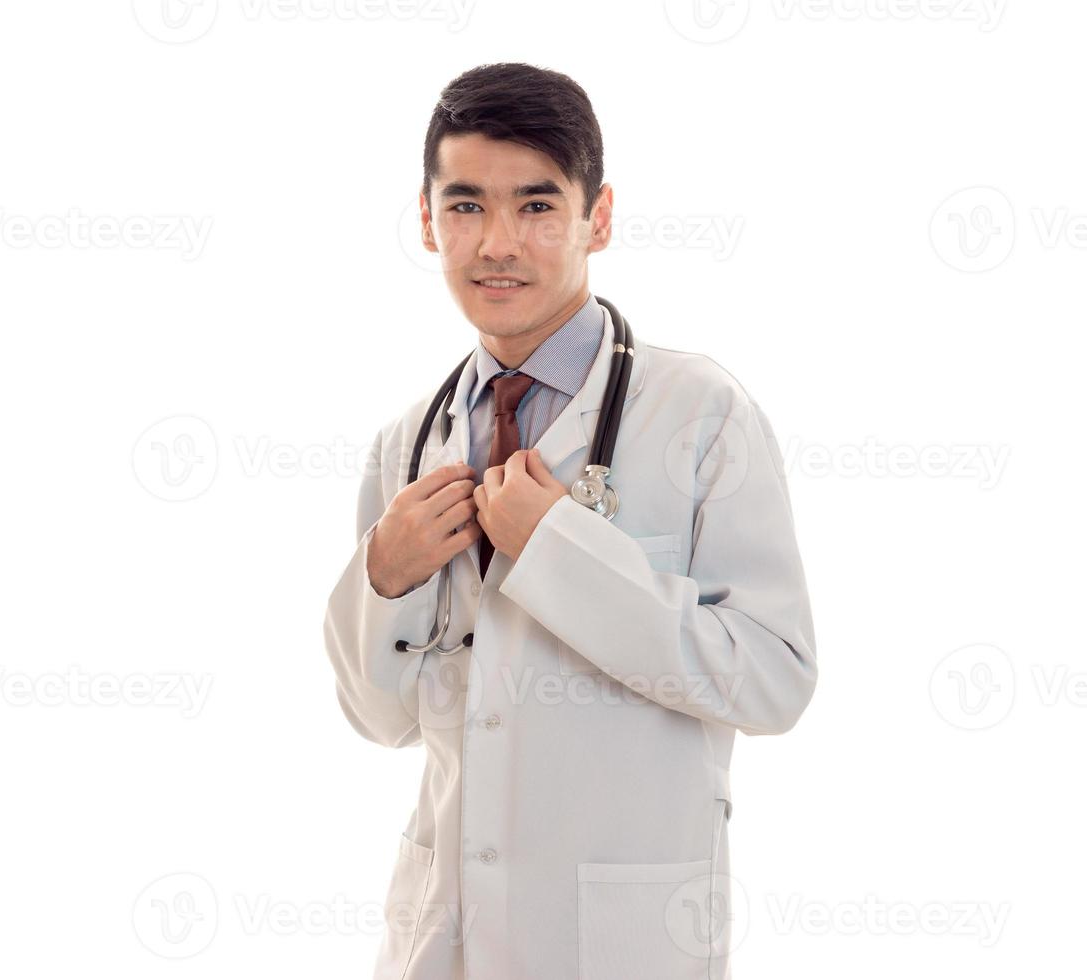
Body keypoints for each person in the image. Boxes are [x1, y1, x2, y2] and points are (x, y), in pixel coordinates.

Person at [322, 62, 818, 980]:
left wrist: (560, 551)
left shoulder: (699, 414)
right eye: (466, 206)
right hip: (443, 941)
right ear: (428, 220)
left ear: (600, 216)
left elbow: (775, 684)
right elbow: (378, 721)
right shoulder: (407, 443)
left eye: (539, 206)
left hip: (624, 944)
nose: (498, 242)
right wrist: (383, 579)